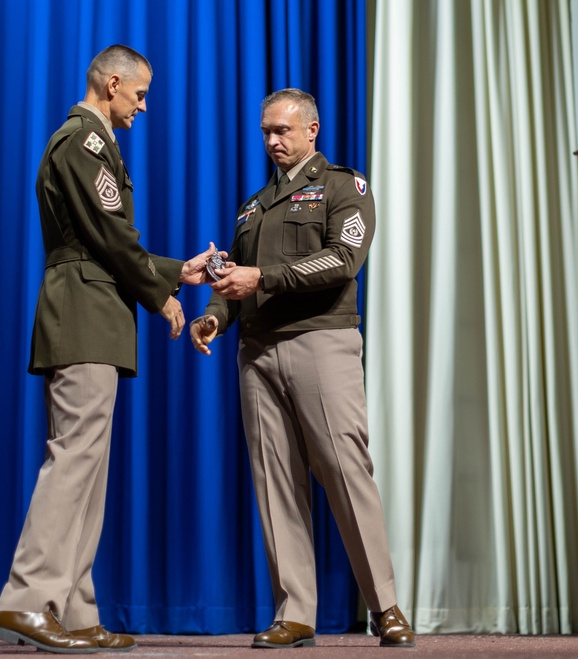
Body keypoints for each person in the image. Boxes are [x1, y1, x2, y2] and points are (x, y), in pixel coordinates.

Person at [0, 45, 222, 654]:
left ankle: (72, 608)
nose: (144, 106)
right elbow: (113, 240)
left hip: (95, 314)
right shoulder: (83, 143)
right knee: (72, 463)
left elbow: (111, 242)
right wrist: (164, 293)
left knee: (86, 472)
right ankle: (29, 599)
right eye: (140, 94)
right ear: (113, 83)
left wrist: (181, 272)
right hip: (85, 315)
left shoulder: (93, 144)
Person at [190, 88, 415, 649]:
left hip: (322, 342)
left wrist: (261, 278)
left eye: (282, 131)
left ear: (312, 130)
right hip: (256, 352)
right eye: (266, 131)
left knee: (344, 470)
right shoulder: (253, 205)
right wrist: (216, 316)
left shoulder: (344, 186)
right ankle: (295, 613)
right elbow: (235, 281)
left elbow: (343, 260)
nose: (271, 141)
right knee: (275, 484)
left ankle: (385, 607)